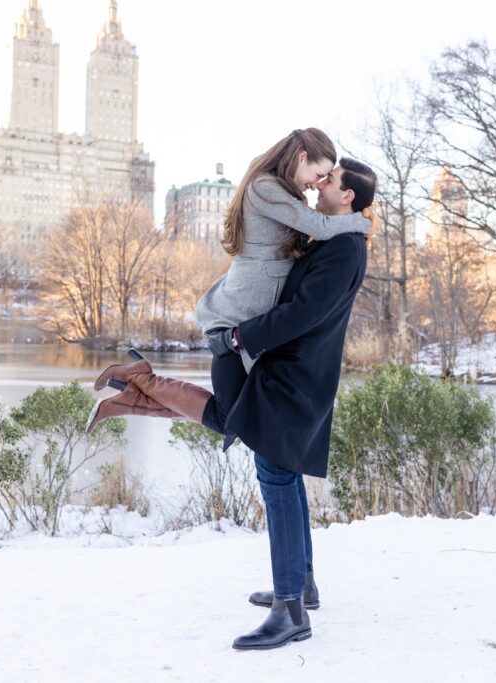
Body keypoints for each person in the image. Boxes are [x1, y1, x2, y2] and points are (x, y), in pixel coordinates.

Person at [88, 158, 379, 651]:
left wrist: (240, 336)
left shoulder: (345, 248)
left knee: (276, 476)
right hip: (290, 370)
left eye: (329, 180)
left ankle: (290, 611)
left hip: (294, 375)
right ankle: (301, 586)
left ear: (348, 196)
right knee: (274, 465)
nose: (320, 184)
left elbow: (303, 312)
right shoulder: (335, 240)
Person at [86, 128, 371, 431]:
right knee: (230, 420)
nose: (316, 185)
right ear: (302, 157)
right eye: (319, 173)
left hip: (251, 318)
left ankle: (134, 390)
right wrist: (362, 219)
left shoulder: (286, 193)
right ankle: (140, 381)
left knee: (233, 418)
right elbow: (320, 226)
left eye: (326, 179)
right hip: (236, 317)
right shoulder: (266, 187)